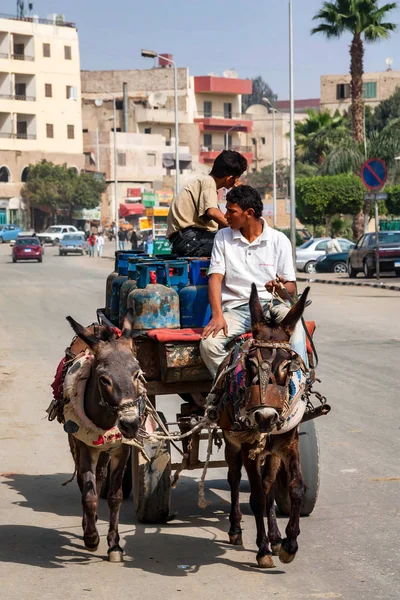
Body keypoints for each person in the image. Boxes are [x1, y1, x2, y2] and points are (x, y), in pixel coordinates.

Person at [200, 185, 308, 379]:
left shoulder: (279, 240)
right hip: (237, 309)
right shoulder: (223, 237)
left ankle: (298, 386)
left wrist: (280, 288)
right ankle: (237, 385)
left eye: (231, 211)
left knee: (297, 332)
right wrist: (217, 315)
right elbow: (215, 279)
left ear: (249, 213)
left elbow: (291, 289)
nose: (226, 215)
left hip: (273, 306)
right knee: (209, 344)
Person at [167, 150, 248, 257]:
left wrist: (240, 193)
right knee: (240, 245)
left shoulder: (205, 183)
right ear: (229, 178)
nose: (237, 181)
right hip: (190, 239)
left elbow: (219, 224)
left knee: (234, 239)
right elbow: (213, 213)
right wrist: (240, 229)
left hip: (186, 239)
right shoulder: (208, 182)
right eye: (237, 177)